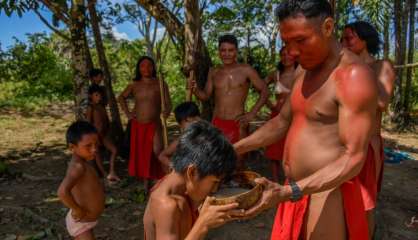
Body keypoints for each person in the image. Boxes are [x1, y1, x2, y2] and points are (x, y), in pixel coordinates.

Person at [234, 1, 378, 239]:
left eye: (300, 40)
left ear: (328, 27)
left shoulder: (353, 76)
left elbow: (353, 158)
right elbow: (281, 121)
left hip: (327, 193)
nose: (292, 52)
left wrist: (293, 190)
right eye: (286, 43)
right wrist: (233, 149)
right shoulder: (304, 70)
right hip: (293, 188)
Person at [144, 120, 242, 240]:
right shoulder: (166, 205)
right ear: (192, 172)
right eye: (215, 182)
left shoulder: (182, 185)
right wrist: (203, 224)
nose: (215, 189)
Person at [342, 20, 396, 236]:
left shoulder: (382, 66)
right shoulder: (344, 68)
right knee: (342, 199)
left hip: (366, 145)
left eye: (349, 38)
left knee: (365, 204)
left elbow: (382, 103)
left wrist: (358, 74)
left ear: (364, 40)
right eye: (342, 39)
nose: (343, 43)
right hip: (342, 143)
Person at [191, 34, 268, 168]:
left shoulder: (246, 70)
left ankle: (240, 186)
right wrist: (195, 89)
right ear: (219, 52)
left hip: (238, 123)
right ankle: (222, 186)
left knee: (239, 160)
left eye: (230, 50)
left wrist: (251, 114)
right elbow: (205, 96)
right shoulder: (213, 72)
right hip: (217, 122)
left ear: (236, 51)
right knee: (218, 159)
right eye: (223, 50)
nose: (227, 54)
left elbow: (265, 91)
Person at [118, 56, 172, 191]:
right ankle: (146, 182)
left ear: (153, 68)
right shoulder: (134, 84)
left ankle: (164, 180)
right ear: (138, 68)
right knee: (143, 154)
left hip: (155, 124)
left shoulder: (160, 83)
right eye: (142, 65)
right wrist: (128, 113)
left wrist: (167, 111)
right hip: (138, 124)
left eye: (149, 65)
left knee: (158, 151)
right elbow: (121, 97)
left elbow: (168, 103)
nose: (146, 68)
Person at [58, 121, 105, 239]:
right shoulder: (78, 167)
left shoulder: (82, 164)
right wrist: (77, 209)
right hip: (81, 222)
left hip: (85, 221)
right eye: (88, 146)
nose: (94, 149)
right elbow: (62, 192)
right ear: (72, 147)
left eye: (96, 144)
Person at [264, 47, 298, 182]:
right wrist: (269, 104)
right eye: (283, 54)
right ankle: (275, 181)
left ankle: (292, 179)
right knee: (274, 151)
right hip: (277, 116)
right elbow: (260, 86)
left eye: (289, 54)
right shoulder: (276, 74)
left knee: (292, 149)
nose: (286, 57)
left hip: (295, 117)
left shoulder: (301, 72)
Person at [86, 85, 120, 182]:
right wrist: (93, 137)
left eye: (100, 95)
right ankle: (104, 173)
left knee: (114, 150)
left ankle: (112, 171)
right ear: (90, 96)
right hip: (95, 136)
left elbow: (106, 121)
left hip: (105, 134)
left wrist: (109, 132)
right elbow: (88, 123)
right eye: (96, 95)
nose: (99, 97)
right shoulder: (91, 108)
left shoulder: (101, 106)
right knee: (97, 153)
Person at [158, 101, 201, 172]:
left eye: (182, 125)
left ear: (188, 119)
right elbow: (162, 156)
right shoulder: (182, 139)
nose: (182, 128)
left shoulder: (210, 133)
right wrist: (175, 167)